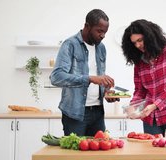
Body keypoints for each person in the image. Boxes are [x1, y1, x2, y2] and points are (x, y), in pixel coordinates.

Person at [50, 9, 119, 137]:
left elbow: (98, 79)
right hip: (75, 114)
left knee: (98, 154)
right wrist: (89, 79)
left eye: (105, 32)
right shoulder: (70, 44)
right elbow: (56, 77)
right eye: (99, 31)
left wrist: (107, 93)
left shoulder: (101, 48)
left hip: (98, 113)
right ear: (87, 26)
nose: (103, 35)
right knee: (74, 155)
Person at [121, 19, 166, 136]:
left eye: (140, 40)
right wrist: (133, 106)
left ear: (149, 36)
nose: (137, 45)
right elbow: (140, 90)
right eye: (134, 43)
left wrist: (154, 105)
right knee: (153, 153)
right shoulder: (139, 61)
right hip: (151, 119)